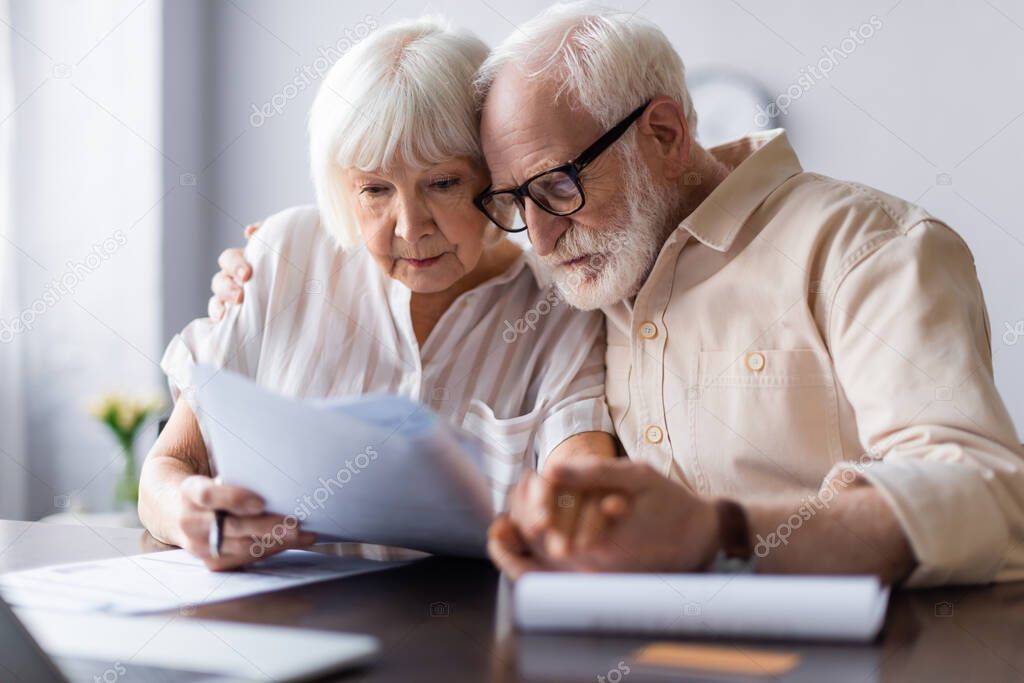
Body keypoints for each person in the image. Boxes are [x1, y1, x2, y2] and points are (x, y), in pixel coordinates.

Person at [211, 4, 1024, 587]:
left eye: (559, 185)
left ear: (665, 135)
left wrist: (721, 532)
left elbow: (992, 498)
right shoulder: (590, 278)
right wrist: (265, 267)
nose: (540, 232)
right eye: (510, 199)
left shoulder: (863, 250)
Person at [138, 17, 617, 571]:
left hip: (466, 635)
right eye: (375, 189)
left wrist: (563, 522)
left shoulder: (559, 302)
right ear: (343, 187)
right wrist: (190, 517)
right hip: (282, 624)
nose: (410, 227)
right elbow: (169, 465)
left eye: (443, 183)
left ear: (495, 175)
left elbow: (580, 484)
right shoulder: (285, 254)